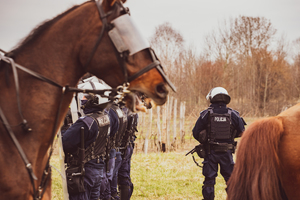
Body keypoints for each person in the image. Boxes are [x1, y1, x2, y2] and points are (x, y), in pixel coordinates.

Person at [192, 87, 246, 200]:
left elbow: (195, 132)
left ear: (212, 97)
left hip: (210, 152)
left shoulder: (206, 114)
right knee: (231, 179)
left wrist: (205, 138)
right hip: (227, 153)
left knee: (209, 180)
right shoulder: (234, 114)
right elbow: (243, 132)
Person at [63, 81, 112, 200]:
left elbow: (65, 142)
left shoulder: (86, 122)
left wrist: (64, 126)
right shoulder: (105, 117)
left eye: (85, 96)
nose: (82, 99)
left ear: (94, 100)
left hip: (84, 172)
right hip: (98, 170)